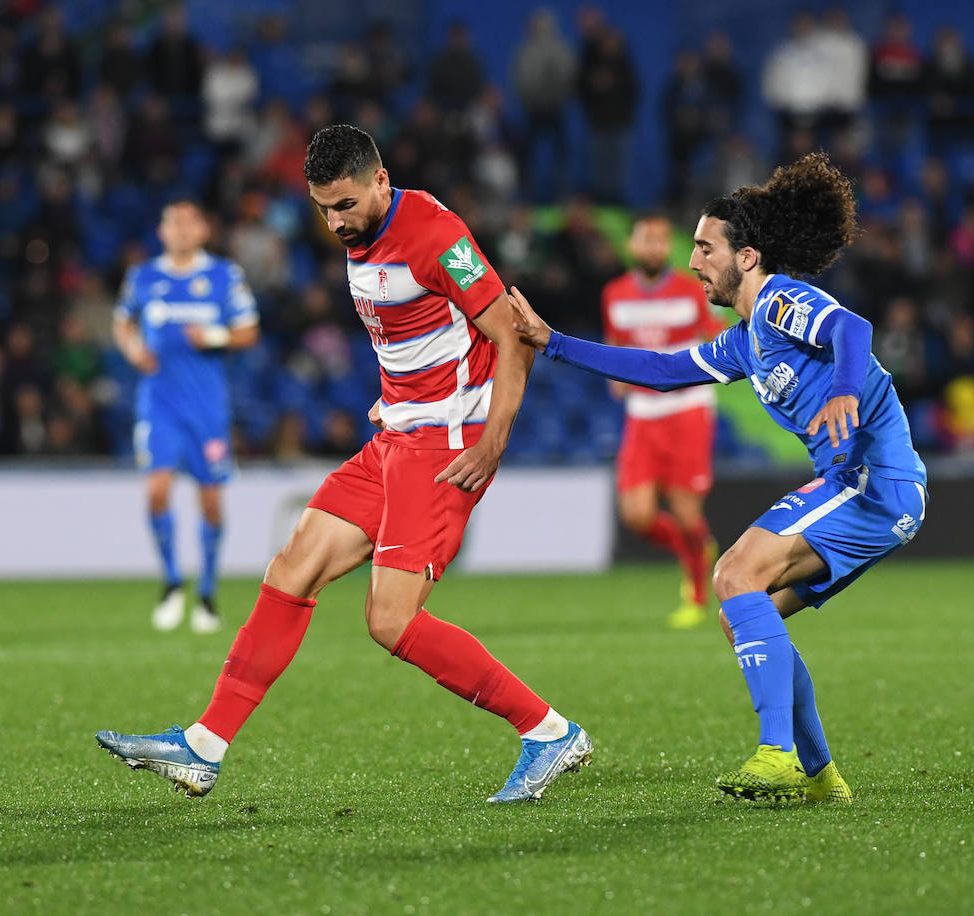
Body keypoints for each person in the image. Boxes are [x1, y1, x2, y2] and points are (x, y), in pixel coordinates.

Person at [97, 124, 592, 803]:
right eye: (323, 207)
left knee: (389, 621)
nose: (335, 221)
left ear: (381, 181)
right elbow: (414, 335)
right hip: (396, 435)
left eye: (346, 205)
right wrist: (393, 399)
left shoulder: (435, 233)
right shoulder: (361, 236)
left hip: (446, 445)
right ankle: (204, 747)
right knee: (292, 568)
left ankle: (548, 730)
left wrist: (491, 440)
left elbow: (513, 334)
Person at [510, 152, 928, 804]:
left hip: (874, 483)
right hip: (863, 488)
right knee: (744, 612)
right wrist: (553, 341)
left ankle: (778, 754)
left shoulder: (782, 301)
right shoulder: (742, 340)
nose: (692, 260)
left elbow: (852, 327)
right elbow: (661, 369)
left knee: (733, 574)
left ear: (748, 257)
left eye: (705, 247)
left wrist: (846, 390)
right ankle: (820, 778)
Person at [113, 199, 261, 633]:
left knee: (211, 502)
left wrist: (214, 335)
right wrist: (133, 349)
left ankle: (208, 592)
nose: (179, 229)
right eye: (171, 221)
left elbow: (249, 331)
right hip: (158, 405)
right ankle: (173, 582)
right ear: (162, 232)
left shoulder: (224, 276)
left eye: (188, 221)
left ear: (202, 231)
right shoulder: (142, 277)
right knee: (156, 491)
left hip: (207, 408)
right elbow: (122, 323)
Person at [602, 213, 724, 629]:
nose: (653, 247)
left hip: (687, 410)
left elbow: (716, 334)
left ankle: (695, 591)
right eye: (646, 239)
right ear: (632, 246)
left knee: (687, 512)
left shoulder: (692, 292)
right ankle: (696, 548)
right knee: (636, 515)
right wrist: (617, 377)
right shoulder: (615, 294)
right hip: (642, 415)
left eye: (660, 240)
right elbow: (616, 343)